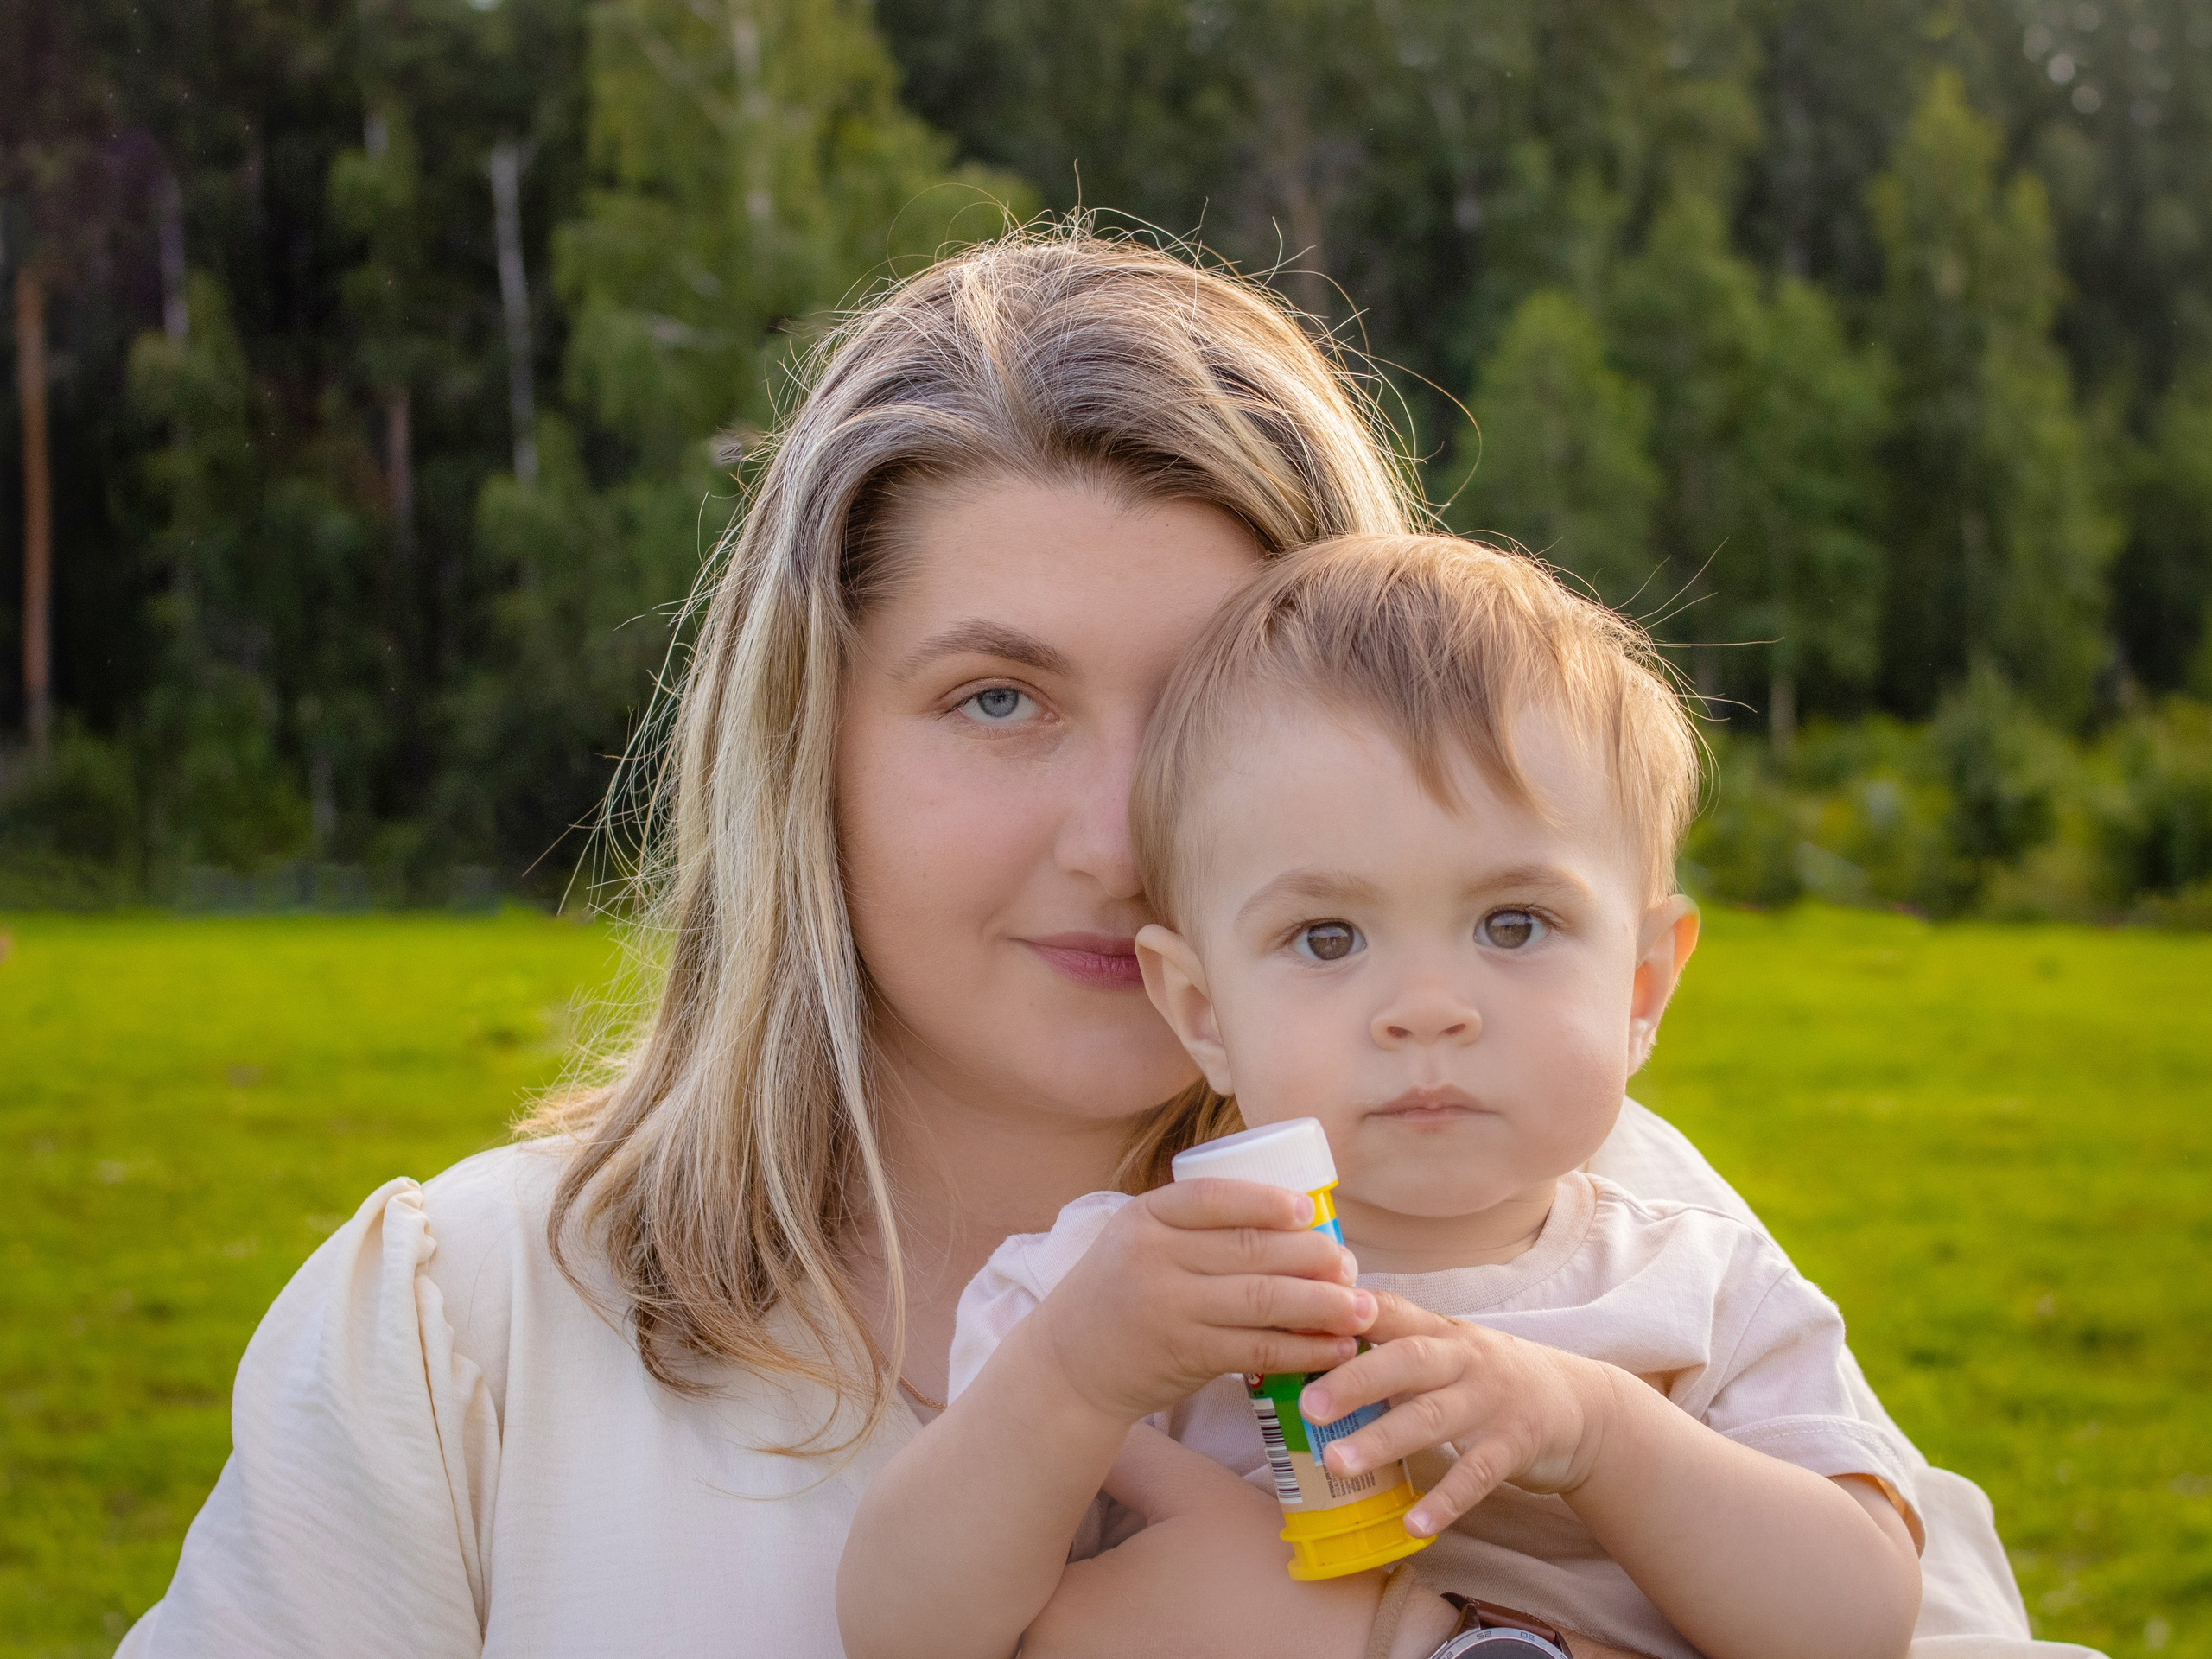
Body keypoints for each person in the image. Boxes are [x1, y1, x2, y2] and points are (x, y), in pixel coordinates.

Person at [118, 228, 2069, 1659]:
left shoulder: (1608, 1230)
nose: (1123, 835)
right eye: (995, 699)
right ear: (811, 755)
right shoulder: (462, 1335)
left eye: (1206, 709)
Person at [839, 535, 1924, 1659]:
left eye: (1514, 924)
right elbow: (903, 1631)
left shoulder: (1705, 1295)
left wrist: (1600, 1433)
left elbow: (1859, 1627)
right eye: (1327, 937)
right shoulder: (1123, 1295)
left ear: (1643, 983)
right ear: (1202, 1011)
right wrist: (1069, 1379)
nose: (1423, 1008)